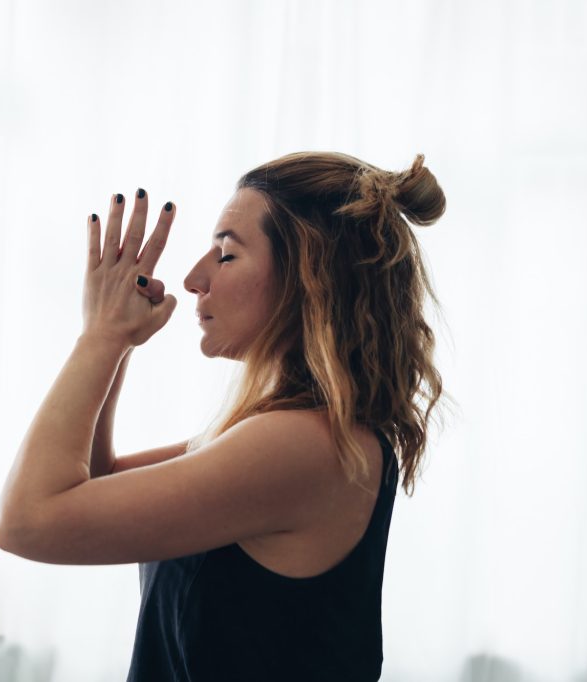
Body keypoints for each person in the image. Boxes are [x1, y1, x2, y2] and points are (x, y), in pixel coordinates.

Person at [124, 151, 451, 681]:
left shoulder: (301, 444)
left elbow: (30, 521)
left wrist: (97, 338)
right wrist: (114, 340)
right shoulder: (271, 434)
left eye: (225, 255)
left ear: (307, 277)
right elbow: (87, 480)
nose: (192, 279)